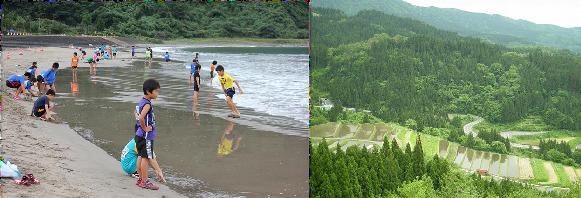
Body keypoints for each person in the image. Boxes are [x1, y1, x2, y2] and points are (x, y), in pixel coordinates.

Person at [135, 79, 162, 190]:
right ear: (148, 91)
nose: (157, 94)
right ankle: (145, 181)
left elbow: (136, 114)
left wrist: (141, 128)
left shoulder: (142, 101)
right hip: (146, 136)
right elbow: (141, 117)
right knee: (146, 158)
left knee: (141, 157)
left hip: (139, 135)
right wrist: (145, 128)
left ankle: (140, 179)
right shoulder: (147, 104)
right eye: (156, 91)